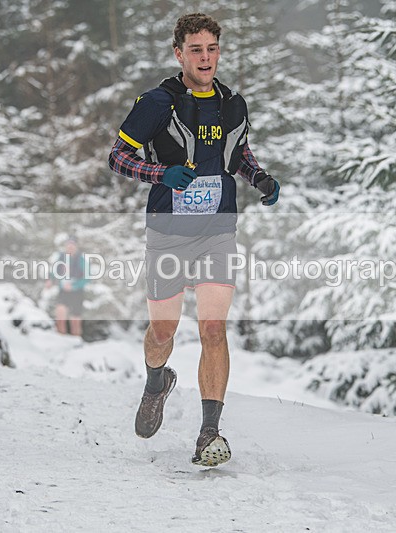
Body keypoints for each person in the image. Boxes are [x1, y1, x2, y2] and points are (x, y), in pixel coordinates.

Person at [108, 13, 279, 467]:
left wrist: (259, 177)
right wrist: (162, 172)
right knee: (163, 330)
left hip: (218, 231)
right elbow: (118, 158)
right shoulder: (157, 103)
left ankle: (209, 434)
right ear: (179, 53)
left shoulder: (233, 105)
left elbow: (237, 153)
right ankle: (156, 381)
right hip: (167, 233)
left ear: (219, 52)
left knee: (213, 329)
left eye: (212, 49)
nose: (205, 58)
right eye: (196, 50)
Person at [46, 237, 87, 339]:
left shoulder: (81, 260)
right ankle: (60, 338)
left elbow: (87, 277)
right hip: (63, 290)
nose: (70, 248)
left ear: (76, 247)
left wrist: (74, 286)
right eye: (68, 246)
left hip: (77, 292)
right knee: (60, 312)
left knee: (75, 319)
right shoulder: (61, 258)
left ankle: (77, 341)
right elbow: (54, 271)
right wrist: (50, 280)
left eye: (72, 246)